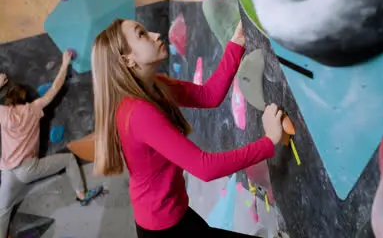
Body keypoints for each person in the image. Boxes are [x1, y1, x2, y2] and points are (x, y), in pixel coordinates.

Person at [91, 19, 284, 237]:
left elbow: (208, 95)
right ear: (128, 60)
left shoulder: (156, 86)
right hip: (164, 227)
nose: (155, 34)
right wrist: (268, 142)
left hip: (174, 213)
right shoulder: (138, 113)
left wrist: (236, 43)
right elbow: (205, 167)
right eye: (142, 34)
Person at [0, 51, 102, 238]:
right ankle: (81, 194)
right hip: (28, 168)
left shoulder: (3, 114)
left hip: (7, 171)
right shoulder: (34, 108)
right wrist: (64, 63)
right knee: (69, 159)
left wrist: (0, 83)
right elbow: (55, 88)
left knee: (3, 210)